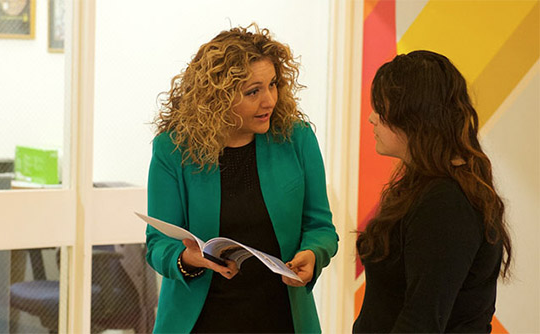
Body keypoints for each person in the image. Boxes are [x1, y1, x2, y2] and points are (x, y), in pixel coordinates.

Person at [145, 23, 339, 333]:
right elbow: (157, 244)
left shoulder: (297, 139)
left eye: (273, 84)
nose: (270, 101)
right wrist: (187, 258)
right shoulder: (173, 149)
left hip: (281, 319)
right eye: (253, 91)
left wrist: (313, 253)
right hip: (202, 322)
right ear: (218, 97)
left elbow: (320, 227)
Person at [354, 50, 513, 333]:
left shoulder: (446, 202)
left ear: (414, 116)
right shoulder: (427, 187)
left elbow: (421, 320)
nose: (371, 118)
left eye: (381, 107)